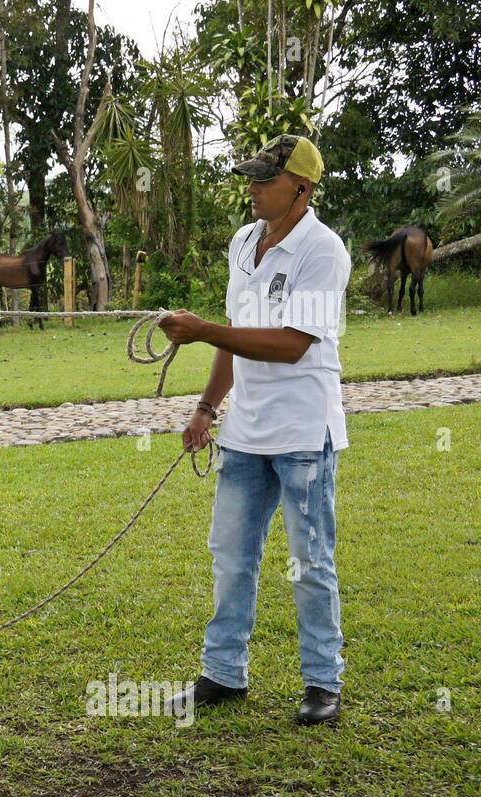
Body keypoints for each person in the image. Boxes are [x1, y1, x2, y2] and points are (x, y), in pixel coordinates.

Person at [159, 134, 351, 725]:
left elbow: (292, 346)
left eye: (265, 180)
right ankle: (222, 674)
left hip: (302, 433)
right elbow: (236, 335)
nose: (253, 188)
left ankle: (322, 683)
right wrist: (207, 408)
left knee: (310, 560)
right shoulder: (244, 242)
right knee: (231, 555)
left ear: (302, 188)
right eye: (252, 177)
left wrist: (203, 329)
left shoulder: (324, 251)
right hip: (245, 431)